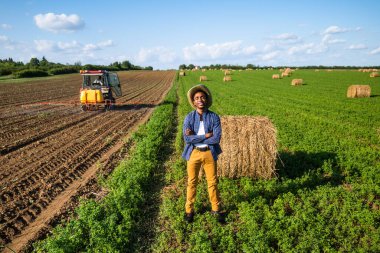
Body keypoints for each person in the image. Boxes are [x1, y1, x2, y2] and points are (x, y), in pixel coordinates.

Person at [182, 84, 224, 223]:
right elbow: (186, 138)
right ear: (193, 102)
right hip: (193, 153)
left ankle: (216, 209)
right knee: (192, 182)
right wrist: (205, 136)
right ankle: (189, 211)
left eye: (202, 97)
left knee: (212, 182)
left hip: (209, 153)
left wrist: (195, 136)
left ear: (206, 100)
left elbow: (216, 138)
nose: (200, 100)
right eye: (197, 98)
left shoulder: (214, 117)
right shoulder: (188, 117)